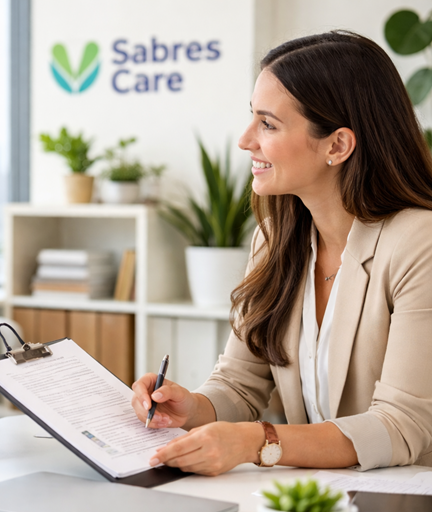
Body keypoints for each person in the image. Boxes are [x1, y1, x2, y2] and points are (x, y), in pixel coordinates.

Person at [132, 31, 432, 476]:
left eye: (268, 124)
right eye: (252, 118)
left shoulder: (419, 243)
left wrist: (258, 441)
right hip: (317, 494)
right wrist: (190, 407)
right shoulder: (274, 239)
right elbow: (240, 384)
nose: (245, 140)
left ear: (337, 145)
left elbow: (400, 425)